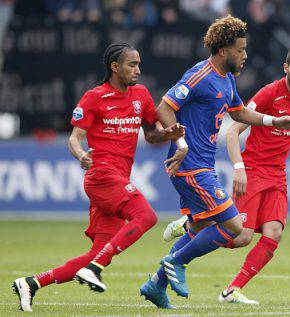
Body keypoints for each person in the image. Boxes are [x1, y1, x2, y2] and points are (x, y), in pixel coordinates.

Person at [139, 15, 290, 309]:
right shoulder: (200, 75)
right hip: (191, 167)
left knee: (200, 230)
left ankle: (156, 285)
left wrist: (274, 119)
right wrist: (181, 143)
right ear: (223, 50)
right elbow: (164, 106)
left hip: (203, 167)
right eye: (240, 49)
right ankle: (175, 262)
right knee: (235, 226)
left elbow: (239, 113)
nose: (245, 55)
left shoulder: (226, 79)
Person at [12, 42, 185, 312]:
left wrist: (169, 134)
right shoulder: (94, 97)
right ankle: (95, 268)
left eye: (139, 63)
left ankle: (31, 283)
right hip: (102, 176)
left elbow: (151, 134)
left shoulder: (141, 94)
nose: (138, 69)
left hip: (117, 180)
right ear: (115, 67)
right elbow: (74, 138)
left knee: (98, 252)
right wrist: (81, 155)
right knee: (146, 216)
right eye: (132, 64)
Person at [164, 45, 290, 304]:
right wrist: (240, 169)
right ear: (285, 68)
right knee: (241, 237)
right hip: (254, 171)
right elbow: (234, 131)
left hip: (278, 176)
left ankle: (231, 290)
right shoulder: (270, 92)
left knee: (274, 233)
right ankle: (193, 224)